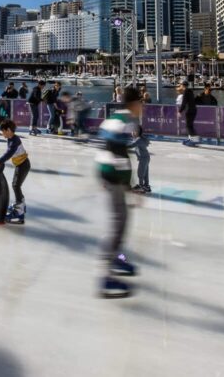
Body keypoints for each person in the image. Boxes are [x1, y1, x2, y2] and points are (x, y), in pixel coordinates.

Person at [96, 87, 142, 298]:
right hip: (113, 174)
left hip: (108, 172)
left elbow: (106, 141)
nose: (142, 107)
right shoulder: (125, 121)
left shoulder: (117, 117)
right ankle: (106, 278)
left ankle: (115, 258)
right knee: (119, 222)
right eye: (140, 102)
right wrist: (128, 185)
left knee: (120, 221)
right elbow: (119, 152)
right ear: (134, 103)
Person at [0, 120, 29, 222]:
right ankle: (21, 204)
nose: (2, 133)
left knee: (16, 185)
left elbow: (9, 153)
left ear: (8, 130)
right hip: (20, 164)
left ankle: (19, 212)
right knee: (15, 185)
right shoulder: (10, 139)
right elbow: (7, 153)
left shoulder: (14, 140)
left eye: (3, 131)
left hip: (23, 165)